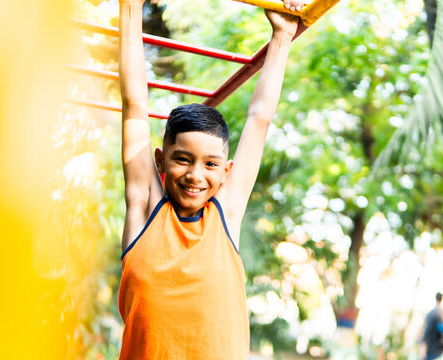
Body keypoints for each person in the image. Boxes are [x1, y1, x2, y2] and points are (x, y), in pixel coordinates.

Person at [117, 0, 305, 358]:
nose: (195, 175)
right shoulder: (145, 208)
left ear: (226, 172)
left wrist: (281, 36)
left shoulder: (225, 215)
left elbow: (260, 118)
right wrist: (129, 8)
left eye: (210, 165)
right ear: (161, 160)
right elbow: (134, 104)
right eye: (183, 160)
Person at [420, 292, 443, 360]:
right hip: (442, 349)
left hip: (432, 350)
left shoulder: (432, 314)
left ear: (435, 299)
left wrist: (423, 345)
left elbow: (427, 331)